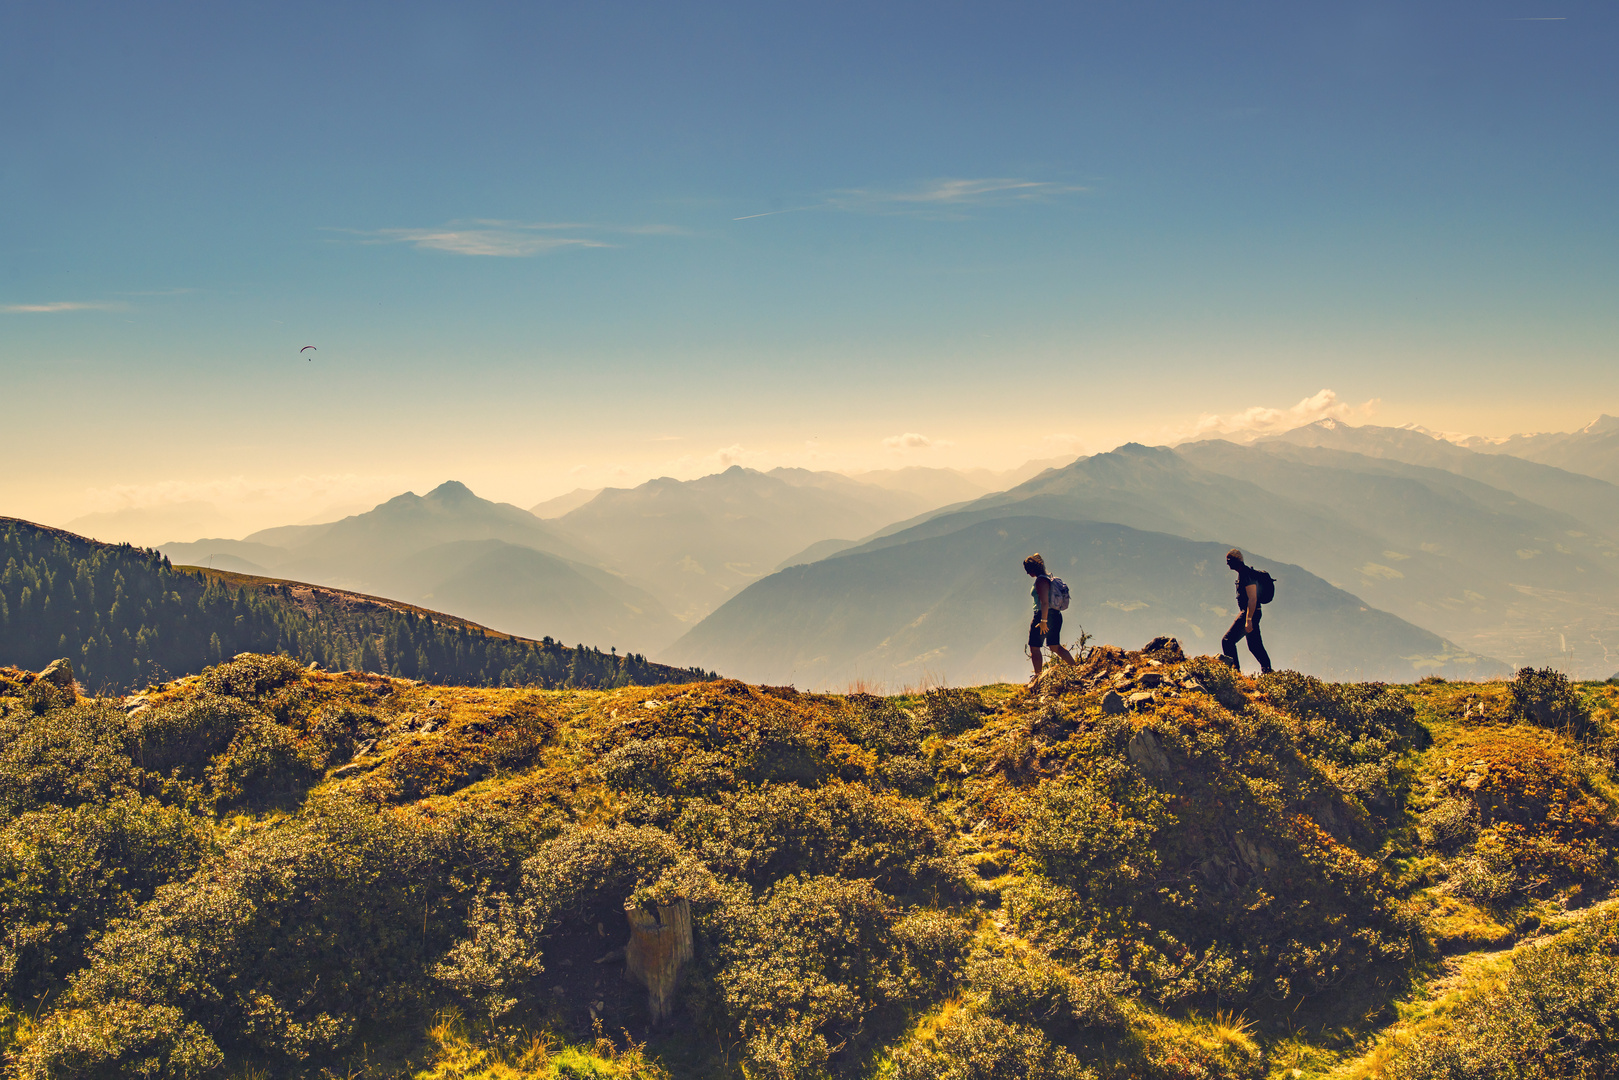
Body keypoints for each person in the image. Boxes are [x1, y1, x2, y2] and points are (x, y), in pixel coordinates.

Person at [1221, 548, 1273, 674]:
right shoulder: (1244, 573)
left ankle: (1234, 673)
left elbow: (1252, 598)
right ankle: (1268, 673)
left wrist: (1248, 620)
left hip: (1250, 613)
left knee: (1227, 641)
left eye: (1229, 560)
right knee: (1255, 646)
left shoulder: (1246, 574)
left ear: (1236, 561)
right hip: (1252, 613)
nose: (1227, 563)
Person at [1024, 553, 1074, 680]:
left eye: (1028, 570)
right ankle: (1076, 669)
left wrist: (1043, 621)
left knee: (1034, 647)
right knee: (1054, 646)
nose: (1027, 573)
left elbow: (1044, 603)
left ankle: (1038, 676)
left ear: (1032, 569)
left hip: (1043, 616)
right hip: (1056, 616)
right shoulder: (1048, 578)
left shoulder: (1041, 581)